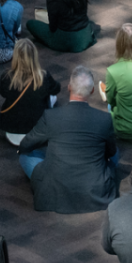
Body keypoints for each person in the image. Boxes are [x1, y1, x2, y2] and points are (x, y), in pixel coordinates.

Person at [18, 65, 118, 214]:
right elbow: (110, 153)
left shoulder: (51, 116)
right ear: (92, 91)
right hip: (94, 188)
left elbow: (26, 144)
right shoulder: (104, 119)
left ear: (69, 87)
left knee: (24, 155)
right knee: (116, 153)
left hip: (55, 188)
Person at [0, 39, 62, 145]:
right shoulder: (43, 77)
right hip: (37, 135)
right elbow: (56, 89)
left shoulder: (7, 76)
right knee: (52, 98)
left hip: (12, 134)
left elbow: (2, 93)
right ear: (34, 56)